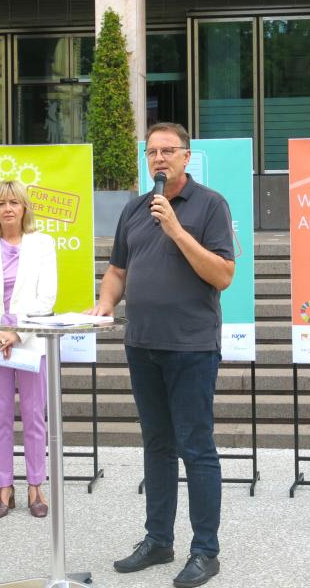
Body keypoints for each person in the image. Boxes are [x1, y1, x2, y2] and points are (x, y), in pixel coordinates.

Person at [90, 122, 235, 588]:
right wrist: (106, 302)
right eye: (151, 151)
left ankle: (204, 551)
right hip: (143, 344)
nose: (158, 159)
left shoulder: (210, 205)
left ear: (187, 156)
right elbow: (117, 270)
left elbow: (223, 274)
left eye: (168, 150)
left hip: (191, 346)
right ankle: (158, 541)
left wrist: (175, 229)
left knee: (196, 447)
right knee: (156, 445)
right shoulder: (135, 209)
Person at [0, 180, 57, 519]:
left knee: (33, 416)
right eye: (1, 203)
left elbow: (46, 297)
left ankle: (35, 485)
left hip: (29, 342)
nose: (8, 209)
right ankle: (5, 487)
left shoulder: (42, 244)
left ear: (24, 208)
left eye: (14, 202)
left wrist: (15, 333)